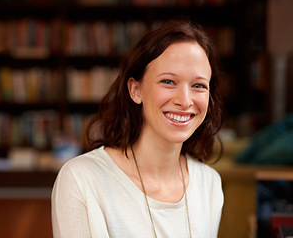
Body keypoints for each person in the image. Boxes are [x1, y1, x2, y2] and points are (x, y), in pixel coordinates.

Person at [51, 17, 225, 238]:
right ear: (136, 90)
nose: (185, 100)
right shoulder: (82, 179)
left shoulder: (209, 183)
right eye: (168, 81)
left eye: (199, 85)